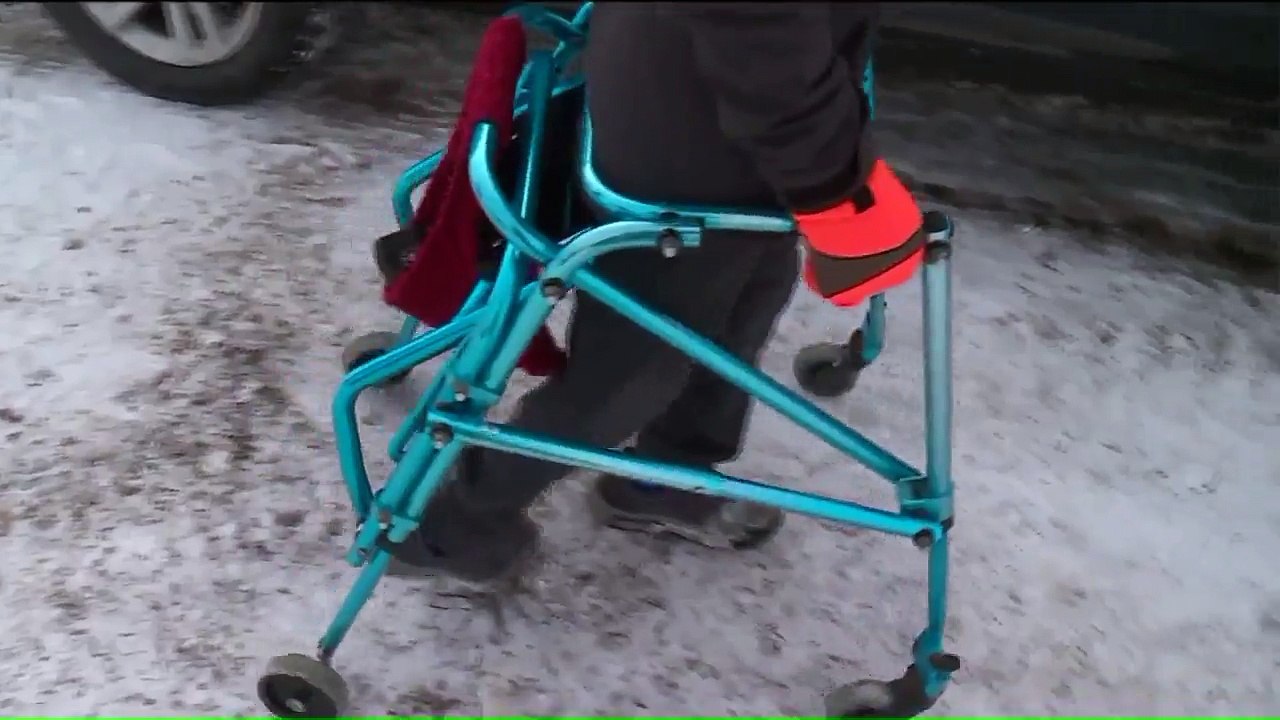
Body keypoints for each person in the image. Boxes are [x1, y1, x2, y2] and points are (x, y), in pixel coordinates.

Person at [388, 2, 925, 583]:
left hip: (724, 127)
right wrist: (837, 186)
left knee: (750, 294)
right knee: (631, 374)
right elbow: (758, 32)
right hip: (690, 148)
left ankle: (667, 472)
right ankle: (450, 527)